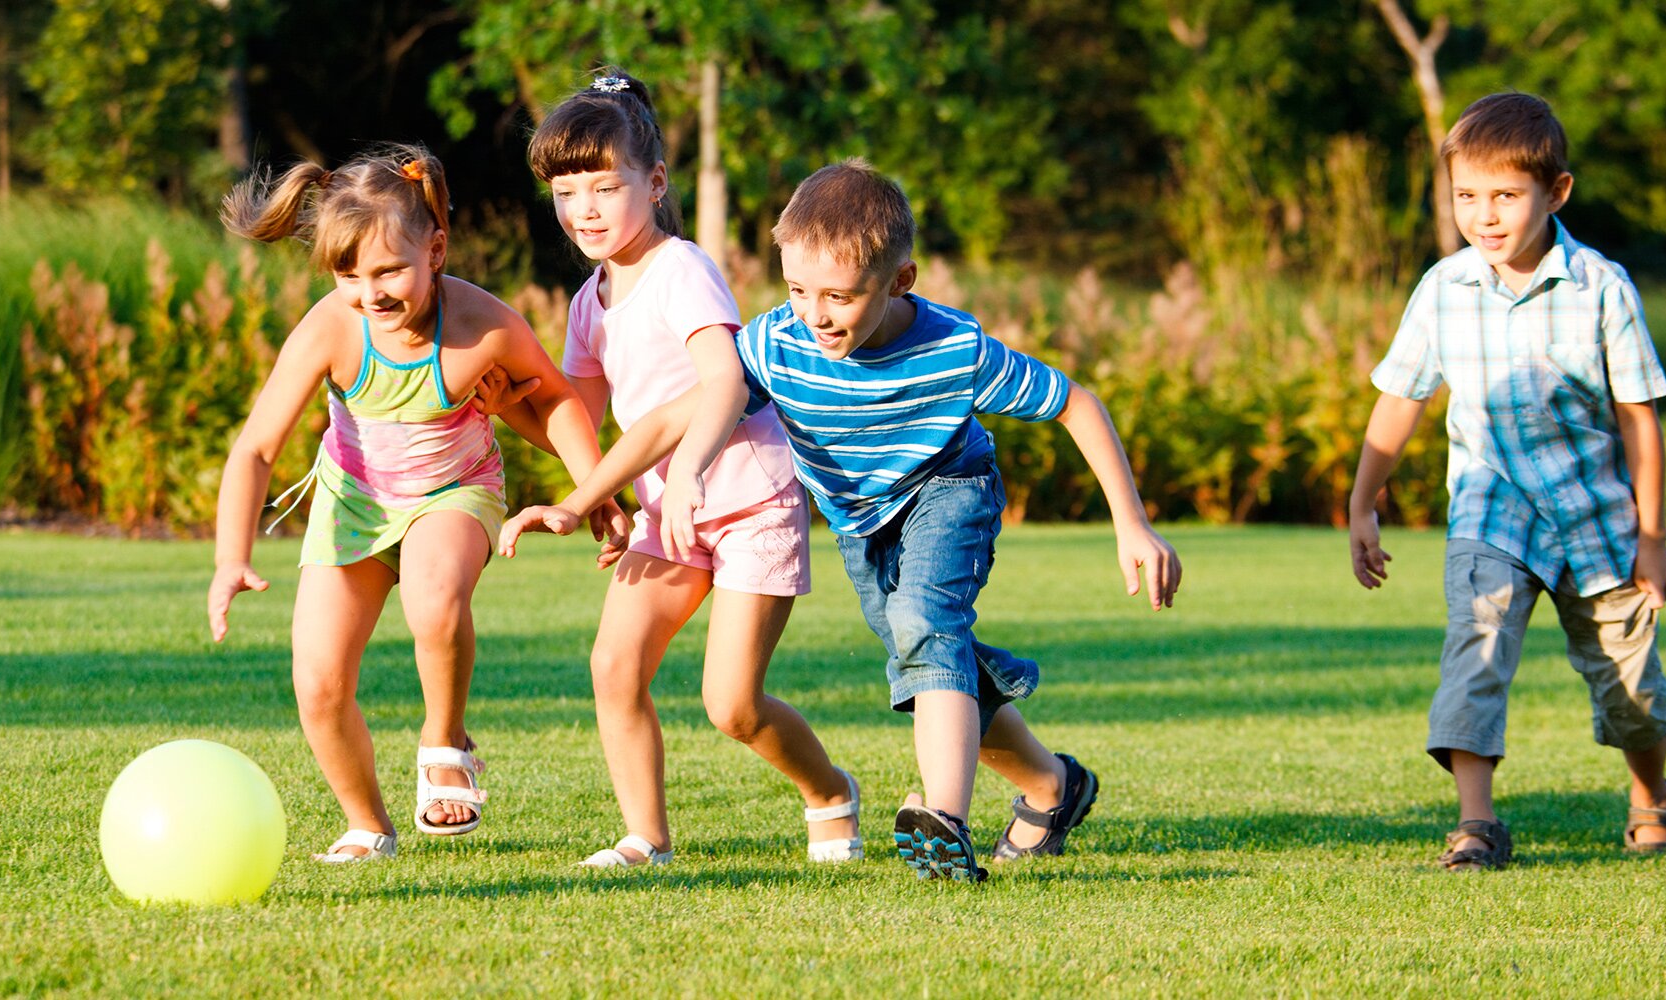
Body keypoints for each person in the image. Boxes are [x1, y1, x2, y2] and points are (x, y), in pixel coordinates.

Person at [501, 159, 1181, 881]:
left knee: (925, 625)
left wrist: (1131, 523)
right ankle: (1052, 785)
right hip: (861, 522)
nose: (817, 314)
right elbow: (677, 415)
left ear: (900, 281)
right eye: (797, 290)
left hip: (948, 489)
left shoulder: (956, 350)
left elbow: (1075, 402)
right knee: (932, 659)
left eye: (840, 296)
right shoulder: (780, 341)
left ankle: (945, 822)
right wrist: (581, 499)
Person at [207, 143, 627, 862]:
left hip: (455, 493)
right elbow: (254, 449)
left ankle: (444, 740)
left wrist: (595, 492)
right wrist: (230, 558)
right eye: (349, 274)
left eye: (389, 270)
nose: (371, 293)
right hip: (355, 508)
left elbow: (554, 399)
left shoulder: (481, 324)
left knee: (432, 600)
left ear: (435, 250)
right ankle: (368, 824)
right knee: (318, 683)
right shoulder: (333, 329)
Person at [497, 72, 859, 868]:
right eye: (565, 192)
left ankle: (830, 792)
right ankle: (645, 838)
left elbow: (723, 381)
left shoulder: (682, 268)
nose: (584, 209)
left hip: (747, 498)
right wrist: (500, 407)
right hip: (670, 510)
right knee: (614, 664)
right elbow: (577, 425)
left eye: (604, 186)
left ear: (654, 183)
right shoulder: (590, 300)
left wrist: (685, 469)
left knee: (731, 704)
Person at [1348, 92, 1666, 871]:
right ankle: (1477, 825)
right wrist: (1363, 502)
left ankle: (1652, 793)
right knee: (1477, 648)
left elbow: (1639, 419)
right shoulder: (1443, 288)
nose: (1485, 216)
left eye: (1506, 195)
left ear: (1556, 192)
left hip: (1597, 518)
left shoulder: (1601, 287)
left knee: (1629, 689)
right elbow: (1401, 399)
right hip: (1490, 509)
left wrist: (1654, 536)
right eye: (1468, 196)